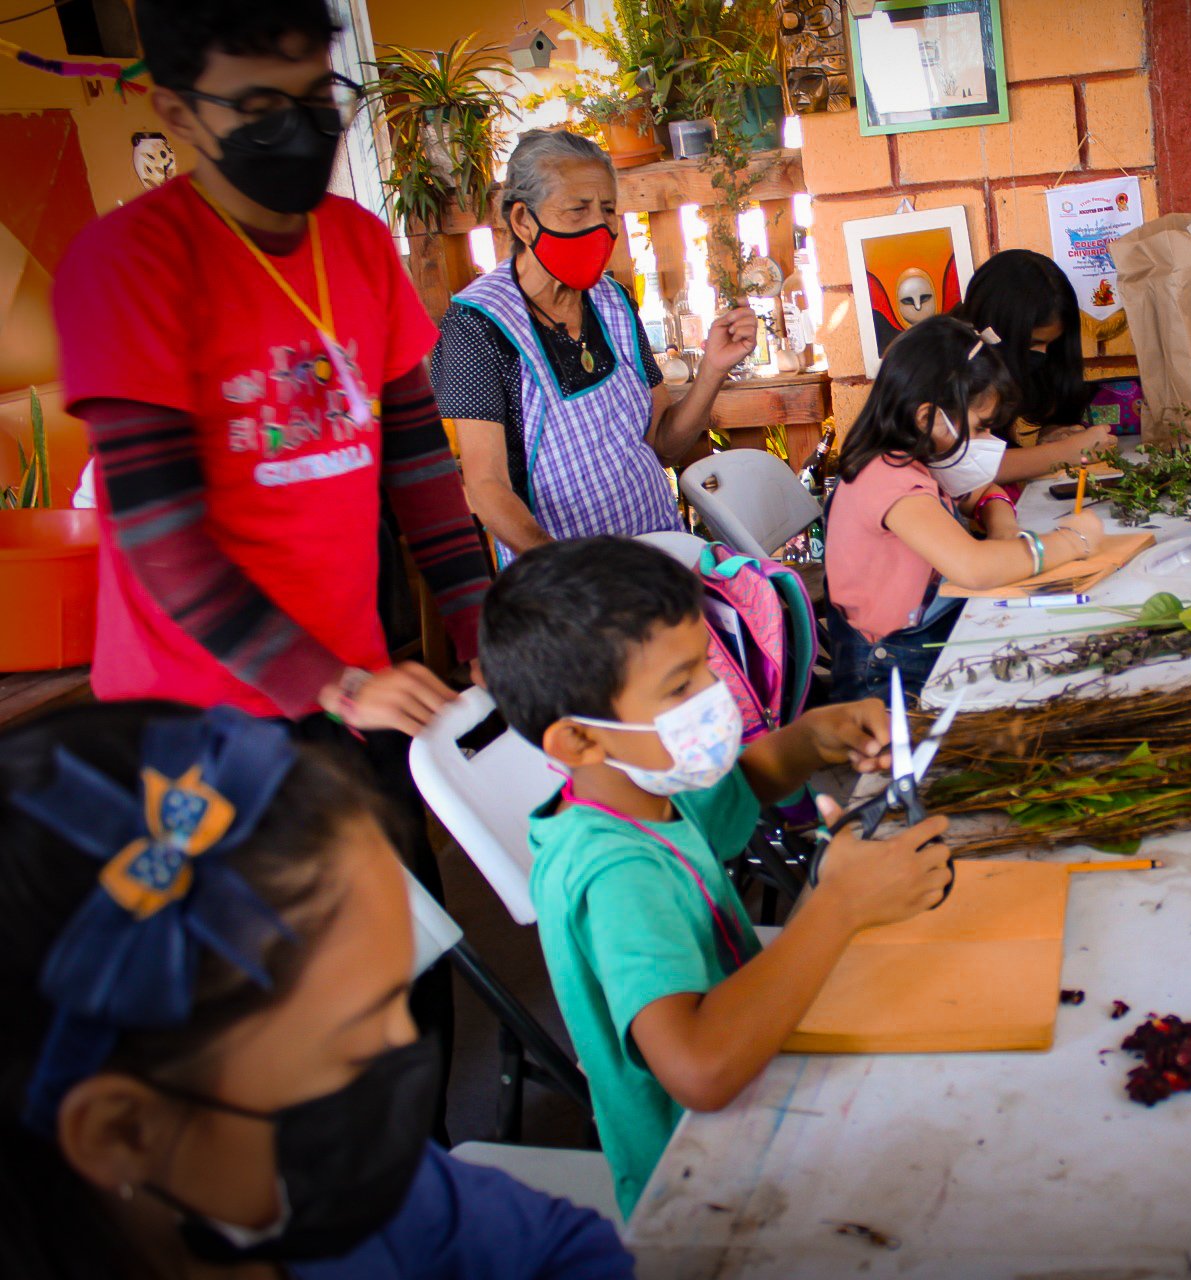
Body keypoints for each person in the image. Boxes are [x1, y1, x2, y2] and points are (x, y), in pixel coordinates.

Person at [50, 0, 486, 1109]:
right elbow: (161, 543)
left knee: (408, 971)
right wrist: (331, 681)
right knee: (270, 1018)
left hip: (358, 695)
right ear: (175, 111)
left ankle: (421, 1193)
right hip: (203, 719)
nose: (296, 130)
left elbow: (420, 467)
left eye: (315, 99)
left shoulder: (357, 243)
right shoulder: (130, 263)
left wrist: (489, 629)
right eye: (258, 106)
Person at [0, 702, 633, 1279]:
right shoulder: (333, 1168)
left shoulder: (363, 1186)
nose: (409, 1045)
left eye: (399, 998)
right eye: (355, 1054)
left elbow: (560, 1247)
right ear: (127, 1132)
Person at [478, 536, 954, 1217]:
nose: (715, 694)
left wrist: (810, 737)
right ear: (579, 740)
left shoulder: (638, 792)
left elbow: (735, 794)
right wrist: (838, 905)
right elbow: (699, 1068)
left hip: (759, 1087)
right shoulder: (613, 871)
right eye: (680, 686)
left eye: (705, 666)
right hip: (705, 1183)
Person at [434, 129, 757, 566]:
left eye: (607, 210)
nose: (600, 228)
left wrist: (713, 371)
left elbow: (662, 444)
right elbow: (486, 488)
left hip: (658, 552)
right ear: (523, 221)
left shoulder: (614, 301)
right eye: (577, 211)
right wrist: (571, 574)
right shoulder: (477, 325)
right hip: (564, 586)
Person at [822, 316, 1107, 700]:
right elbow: (972, 567)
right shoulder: (888, 480)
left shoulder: (917, 456)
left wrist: (1002, 524)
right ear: (927, 417)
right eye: (980, 427)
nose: (988, 440)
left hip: (919, 649)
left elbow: (981, 491)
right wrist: (1070, 543)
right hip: (888, 681)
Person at [949, 249, 1115, 484]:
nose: (1043, 355)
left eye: (1052, 343)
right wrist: (1066, 452)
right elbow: (966, 466)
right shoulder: (945, 366)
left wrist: (1055, 434)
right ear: (994, 331)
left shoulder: (1000, 355)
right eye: (1034, 343)